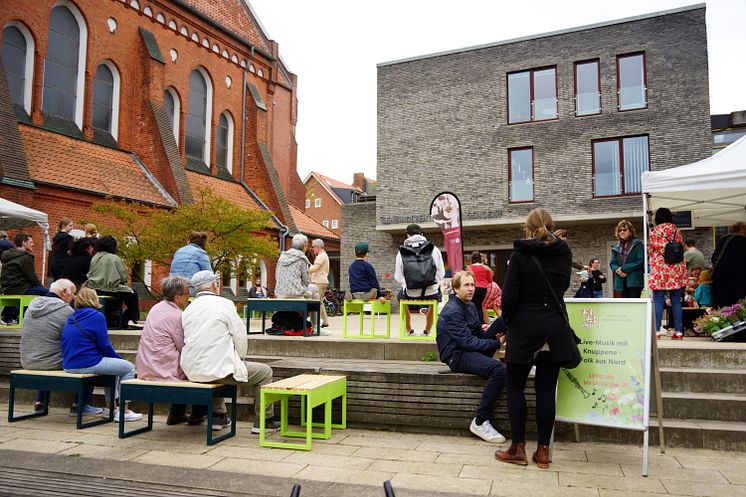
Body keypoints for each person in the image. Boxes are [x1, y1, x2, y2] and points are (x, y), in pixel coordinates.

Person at [495, 208, 571, 470]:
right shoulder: (564, 252)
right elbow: (562, 288)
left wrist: (509, 322)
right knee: (546, 390)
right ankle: (542, 451)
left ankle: (518, 448)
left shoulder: (520, 254)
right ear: (552, 225)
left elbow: (509, 297)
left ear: (526, 228)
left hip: (525, 328)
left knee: (515, 387)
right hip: (554, 327)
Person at [180, 270, 279, 433]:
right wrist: (239, 359)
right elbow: (240, 337)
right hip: (215, 369)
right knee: (264, 372)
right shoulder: (224, 304)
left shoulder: (188, 310)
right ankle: (264, 421)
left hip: (192, 369)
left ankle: (218, 416)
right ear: (213, 285)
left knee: (216, 365)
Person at [436, 271, 506, 443]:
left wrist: (493, 338)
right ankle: (480, 421)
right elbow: (468, 343)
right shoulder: (453, 311)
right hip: (457, 356)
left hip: (469, 350)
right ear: (456, 288)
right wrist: (497, 344)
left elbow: (478, 337)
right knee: (499, 370)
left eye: (472, 285)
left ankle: (523, 359)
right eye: (466, 285)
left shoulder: (470, 306)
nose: (471, 289)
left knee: (505, 319)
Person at [20, 279, 102, 416]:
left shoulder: (32, 306)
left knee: (47, 353)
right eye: (73, 294)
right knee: (87, 357)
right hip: (49, 362)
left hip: (27, 360)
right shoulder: (65, 311)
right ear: (64, 292)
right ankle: (80, 405)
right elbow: (77, 339)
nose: (74, 298)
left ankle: (40, 402)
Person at [61, 288, 142, 421]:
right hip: (87, 362)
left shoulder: (72, 317)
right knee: (127, 368)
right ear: (94, 299)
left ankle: (110, 409)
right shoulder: (96, 316)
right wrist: (117, 358)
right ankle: (124, 411)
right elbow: (104, 344)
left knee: (114, 370)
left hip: (69, 364)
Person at [135, 275, 200, 425]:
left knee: (185, 366)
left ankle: (177, 413)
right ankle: (198, 413)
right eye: (186, 293)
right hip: (162, 368)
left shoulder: (156, 308)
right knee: (198, 370)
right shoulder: (176, 315)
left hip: (145, 366)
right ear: (177, 297)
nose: (189, 296)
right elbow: (183, 346)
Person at [394, 224, 445, 336]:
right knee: (435, 298)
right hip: (431, 292)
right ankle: (427, 331)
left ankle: (409, 330)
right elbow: (441, 274)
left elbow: (398, 277)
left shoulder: (401, 252)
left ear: (407, 235)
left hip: (411, 294)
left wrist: (408, 284)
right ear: (422, 234)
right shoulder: (434, 249)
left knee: (400, 297)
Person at [86, 236, 142, 329]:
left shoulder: (95, 257)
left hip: (94, 289)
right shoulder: (115, 258)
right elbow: (123, 276)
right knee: (133, 295)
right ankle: (130, 320)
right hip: (111, 288)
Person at [648, 208, 687, 340]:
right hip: (675, 269)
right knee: (676, 301)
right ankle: (678, 331)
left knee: (658, 301)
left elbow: (650, 249)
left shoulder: (655, 232)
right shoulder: (677, 231)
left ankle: (657, 331)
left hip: (660, 269)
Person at [0, 233, 47, 324]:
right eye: (31, 242)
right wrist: (42, 288)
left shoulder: (7, 255)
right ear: (24, 243)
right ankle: (29, 319)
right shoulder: (25, 257)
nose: (33, 244)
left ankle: (8, 316)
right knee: (47, 293)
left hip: (8, 288)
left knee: (35, 292)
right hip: (21, 288)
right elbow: (33, 279)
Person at [711, 222, 746, 308]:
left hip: (719, 279)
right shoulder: (742, 241)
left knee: (722, 307)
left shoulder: (723, 239)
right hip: (737, 281)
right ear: (742, 230)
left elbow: (713, 258)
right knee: (737, 307)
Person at [609, 220, 644, 298]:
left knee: (634, 305)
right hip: (621, 280)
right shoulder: (616, 247)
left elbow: (640, 261)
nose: (622, 232)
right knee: (625, 305)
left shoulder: (638, 244)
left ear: (630, 232)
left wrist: (623, 269)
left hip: (634, 281)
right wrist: (618, 270)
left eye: (624, 230)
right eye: (619, 230)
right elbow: (612, 263)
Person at [308, 239, 330, 328]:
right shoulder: (324, 255)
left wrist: (305, 270)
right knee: (320, 302)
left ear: (318, 247)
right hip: (322, 281)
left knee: (316, 302)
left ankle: (318, 322)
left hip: (318, 281)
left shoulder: (321, 256)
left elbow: (315, 268)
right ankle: (324, 321)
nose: (312, 249)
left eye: (313, 247)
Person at [467, 251, 493, 324]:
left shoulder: (469, 268)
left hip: (474, 287)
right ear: (480, 259)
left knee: (473, 305)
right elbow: (490, 280)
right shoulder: (485, 268)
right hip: (483, 289)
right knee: (480, 306)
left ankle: (474, 322)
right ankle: (481, 323)